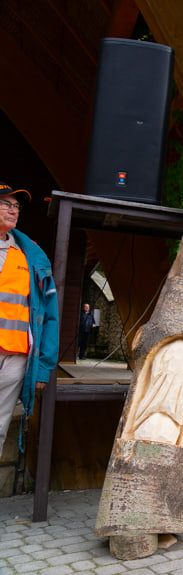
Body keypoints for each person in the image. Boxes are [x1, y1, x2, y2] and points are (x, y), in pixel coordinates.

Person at [0, 182, 59, 452]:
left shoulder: (31, 256)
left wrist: (44, 366)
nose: (13, 210)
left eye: (16, 206)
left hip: (15, 360)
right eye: (6, 204)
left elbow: (49, 316)